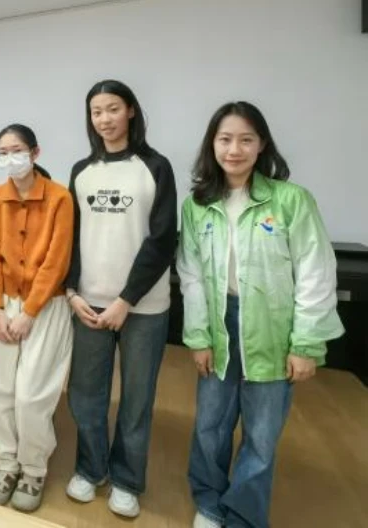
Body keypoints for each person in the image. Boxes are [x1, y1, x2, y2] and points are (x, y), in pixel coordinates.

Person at [177, 101, 344, 528]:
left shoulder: (291, 200)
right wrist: (198, 336)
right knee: (210, 423)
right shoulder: (197, 204)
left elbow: (315, 271)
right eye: (225, 139)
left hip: (272, 327)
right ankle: (209, 503)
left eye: (245, 139)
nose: (234, 149)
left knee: (262, 433)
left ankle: (243, 515)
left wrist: (305, 343)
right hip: (219, 324)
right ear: (212, 144)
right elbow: (191, 276)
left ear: (261, 144)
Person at [63, 80, 177, 519]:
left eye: (112, 109)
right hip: (88, 303)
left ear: (130, 110)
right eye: (96, 111)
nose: (104, 119)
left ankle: (127, 480)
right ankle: (91, 469)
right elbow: (71, 237)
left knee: (136, 398)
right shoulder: (82, 170)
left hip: (142, 308)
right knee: (85, 394)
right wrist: (72, 291)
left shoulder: (155, 166)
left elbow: (162, 240)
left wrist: (126, 299)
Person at [0, 124, 74, 512]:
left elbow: (57, 260)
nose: (10, 158)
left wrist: (30, 311)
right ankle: (6, 462)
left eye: (17, 150)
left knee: (32, 393)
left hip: (46, 305)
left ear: (35, 153)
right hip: (3, 304)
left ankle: (34, 468)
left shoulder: (59, 197)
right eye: (2, 152)